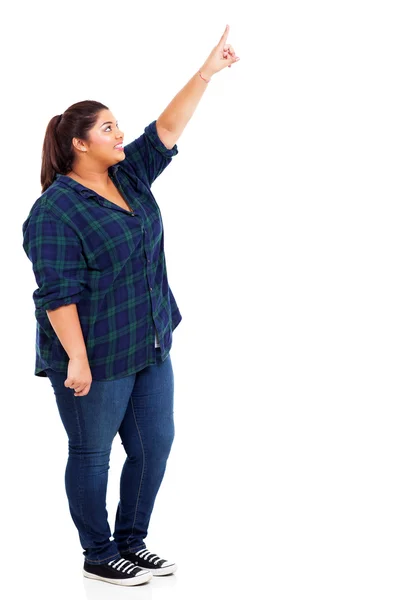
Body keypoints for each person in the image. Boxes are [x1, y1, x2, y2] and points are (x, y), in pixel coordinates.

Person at [21, 25, 239, 587]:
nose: (121, 133)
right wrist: (76, 360)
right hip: (92, 355)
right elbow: (56, 293)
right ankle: (97, 555)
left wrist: (206, 72)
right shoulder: (54, 211)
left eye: (118, 125)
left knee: (154, 445)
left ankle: (131, 543)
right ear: (79, 143)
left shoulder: (130, 178)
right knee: (92, 454)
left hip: (148, 341)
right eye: (108, 127)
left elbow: (166, 129)